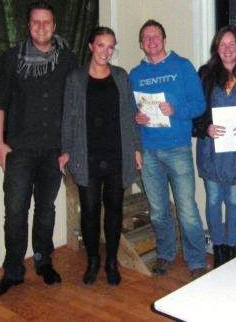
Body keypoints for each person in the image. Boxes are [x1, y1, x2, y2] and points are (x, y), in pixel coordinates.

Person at [0, 1, 77, 297]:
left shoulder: (67, 59)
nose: (41, 27)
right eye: (36, 22)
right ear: (28, 26)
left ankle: (43, 261)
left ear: (54, 25)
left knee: (46, 210)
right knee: (15, 211)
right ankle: (13, 272)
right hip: (20, 150)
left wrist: (69, 147)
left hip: (53, 150)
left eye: (46, 22)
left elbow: (75, 105)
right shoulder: (12, 58)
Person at [60, 27, 142, 286]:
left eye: (110, 46)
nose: (106, 52)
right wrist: (66, 150)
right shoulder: (76, 79)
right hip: (87, 155)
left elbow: (130, 115)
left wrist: (136, 148)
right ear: (91, 47)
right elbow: (68, 117)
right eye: (101, 45)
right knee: (90, 211)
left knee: (115, 210)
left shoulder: (121, 76)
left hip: (117, 154)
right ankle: (93, 260)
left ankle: (111, 262)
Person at [129, 19, 207, 279]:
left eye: (156, 36)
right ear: (141, 44)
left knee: (187, 209)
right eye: (146, 38)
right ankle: (165, 253)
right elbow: (130, 112)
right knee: (158, 211)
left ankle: (196, 259)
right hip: (148, 151)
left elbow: (199, 105)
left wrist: (176, 110)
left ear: (164, 40)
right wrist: (136, 117)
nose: (151, 41)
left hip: (178, 149)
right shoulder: (135, 74)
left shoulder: (182, 66)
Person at [193, 26, 236, 267]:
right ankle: (219, 249)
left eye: (232, 44)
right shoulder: (205, 74)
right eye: (223, 44)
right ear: (216, 48)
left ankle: (231, 247)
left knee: (233, 199)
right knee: (213, 199)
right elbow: (195, 109)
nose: (228, 48)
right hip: (211, 147)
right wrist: (206, 126)